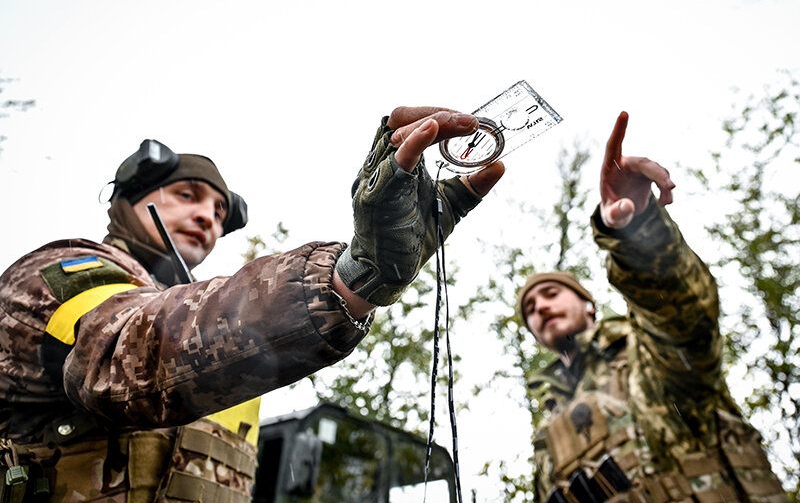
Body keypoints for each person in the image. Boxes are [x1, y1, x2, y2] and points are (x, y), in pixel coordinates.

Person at [0, 106, 504, 502]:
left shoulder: (188, 305)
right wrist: (354, 275)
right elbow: (124, 351)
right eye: (187, 195)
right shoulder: (64, 274)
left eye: (219, 211)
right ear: (129, 201)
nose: (206, 217)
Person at [516, 112, 788, 502]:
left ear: (589, 305)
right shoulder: (549, 426)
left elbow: (683, 315)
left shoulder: (644, 355)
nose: (540, 307)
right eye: (530, 308)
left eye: (552, 294)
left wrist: (637, 232)